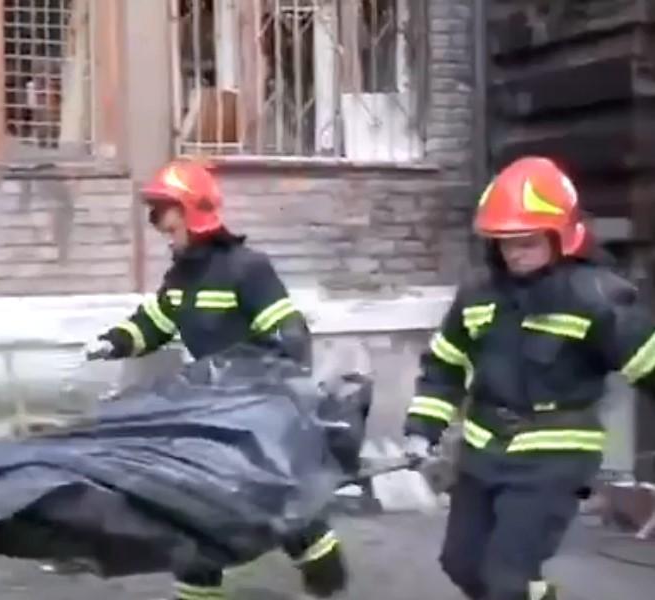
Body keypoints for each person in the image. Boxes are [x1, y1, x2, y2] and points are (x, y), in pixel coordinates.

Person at [86, 159, 347, 599]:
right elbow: (154, 322)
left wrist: (266, 396)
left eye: (165, 214)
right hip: (206, 410)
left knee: (277, 502)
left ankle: (326, 571)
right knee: (195, 507)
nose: (160, 226)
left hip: (252, 413)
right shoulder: (180, 279)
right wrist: (113, 342)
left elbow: (290, 337)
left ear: (192, 212)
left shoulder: (247, 269)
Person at [402, 156, 655, 600]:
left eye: (527, 242)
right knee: (462, 565)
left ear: (562, 236)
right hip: (483, 452)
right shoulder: (477, 295)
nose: (514, 253)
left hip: (554, 458)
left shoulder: (600, 299)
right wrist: (422, 430)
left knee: (506, 578)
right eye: (504, 243)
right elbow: (445, 365)